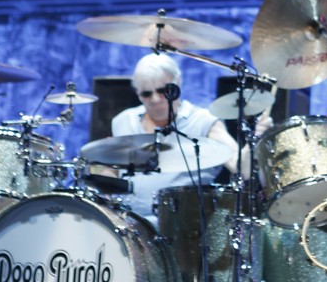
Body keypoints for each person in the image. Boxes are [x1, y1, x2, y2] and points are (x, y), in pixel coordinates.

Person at [110, 52, 271, 226]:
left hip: (183, 226)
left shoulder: (203, 121)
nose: (155, 99)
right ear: (137, 93)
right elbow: (109, 169)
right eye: (147, 94)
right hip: (129, 224)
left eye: (164, 91)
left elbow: (241, 169)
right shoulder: (123, 121)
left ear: (178, 82)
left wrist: (256, 138)